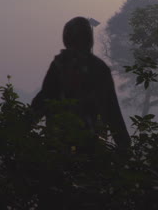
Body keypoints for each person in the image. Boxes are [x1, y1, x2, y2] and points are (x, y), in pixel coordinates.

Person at [31, 16, 131, 150]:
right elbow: (112, 112)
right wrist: (125, 146)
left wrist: (16, 132)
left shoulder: (60, 64)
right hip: (89, 144)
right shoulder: (99, 67)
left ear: (67, 38)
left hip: (58, 144)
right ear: (90, 39)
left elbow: (42, 101)